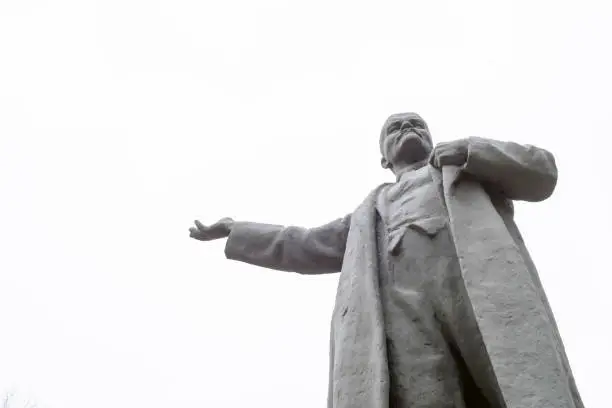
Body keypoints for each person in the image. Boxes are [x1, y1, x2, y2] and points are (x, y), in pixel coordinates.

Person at [189, 113, 583, 408]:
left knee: (515, 382)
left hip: (473, 292)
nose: (408, 129)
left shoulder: (463, 169)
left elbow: (542, 172)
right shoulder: (369, 213)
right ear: (383, 159)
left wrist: (471, 151)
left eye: (417, 124)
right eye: (395, 128)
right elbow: (305, 244)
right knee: (425, 395)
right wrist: (238, 230)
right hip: (402, 312)